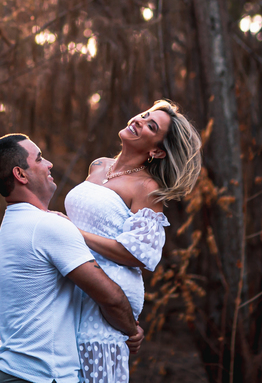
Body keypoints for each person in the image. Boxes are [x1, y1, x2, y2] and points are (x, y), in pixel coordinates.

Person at [0, 133, 144, 383]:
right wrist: (132, 331)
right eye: (39, 159)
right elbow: (109, 297)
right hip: (37, 377)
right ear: (21, 174)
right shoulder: (47, 226)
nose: (49, 164)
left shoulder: (17, 221)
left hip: (15, 373)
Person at [63, 100, 203, 383]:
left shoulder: (147, 188)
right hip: (75, 277)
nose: (140, 120)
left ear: (157, 150)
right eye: (145, 115)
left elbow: (139, 254)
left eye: (151, 126)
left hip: (108, 290)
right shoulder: (98, 166)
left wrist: (71, 234)